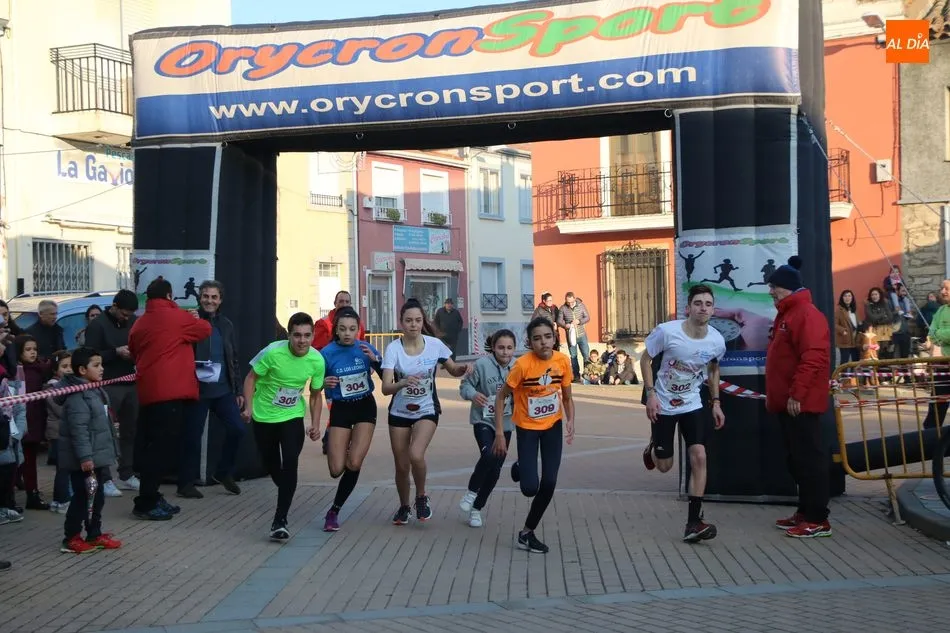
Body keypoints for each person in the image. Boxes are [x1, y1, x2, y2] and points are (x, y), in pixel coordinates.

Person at [640, 284, 726, 542]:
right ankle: (653, 448)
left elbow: (713, 369)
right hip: (663, 402)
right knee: (664, 466)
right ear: (688, 308)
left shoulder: (716, 340)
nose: (703, 308)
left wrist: (716, 402)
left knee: (699, 455)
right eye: (698, 303)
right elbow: (645, 360)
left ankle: (694, 522)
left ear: (713, 310)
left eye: (708, 304)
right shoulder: (667, 332)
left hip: (692, 403)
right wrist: (651, 394)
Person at [381, 298, 471, 525]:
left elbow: (452, 369)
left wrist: (462, 369)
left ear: (423, 321)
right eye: (409, 320)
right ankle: (404, 507)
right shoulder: (393, 349)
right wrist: (403, 383)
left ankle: (421, 496)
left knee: (415, 454)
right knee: (401, 466)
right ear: (401, 322)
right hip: (399, 411)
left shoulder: (434, 345)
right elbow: (385, 388)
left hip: (427, 409)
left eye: (418, 320)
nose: (413, 324)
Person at [129, 279, 212, 521]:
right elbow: (204, 329)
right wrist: (192, 317)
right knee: (161, 450)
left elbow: (133, 349)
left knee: (150, 446)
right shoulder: (177, 317)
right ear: (169, 295)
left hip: (148, 391)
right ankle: (146, 502)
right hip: (170, 392)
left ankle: (152, 495)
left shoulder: (140, 321)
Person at [492, 317, 574, 554]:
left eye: (547, 337)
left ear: (554, 338)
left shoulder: (562, 361)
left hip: (552, 427)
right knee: (529, 488)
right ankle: (521, 466)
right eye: (537, 339)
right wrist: (499, 432)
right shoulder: (522, 366)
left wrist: (571, 420)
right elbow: (501, 397)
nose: (543, 342)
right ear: (529, 342)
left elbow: (567, 396)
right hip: (527, 428)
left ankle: (527, 533)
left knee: (549, 483)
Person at [242, 312, 326, 541]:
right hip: (264, 417)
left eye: (307, 335)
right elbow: (250, 378)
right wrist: (248, 407)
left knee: (290, 462)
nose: (302, 341)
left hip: (292, 416)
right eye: (297, 335)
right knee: (272, 466)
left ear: (313, 335)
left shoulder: (317, 360)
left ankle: (280, 520)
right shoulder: (272, 352)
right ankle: (286, 486)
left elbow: (315, 395)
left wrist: (315, 424)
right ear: (288, 335)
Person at [765, 256, 832, 538]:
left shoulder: (805, 314)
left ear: (787, 287)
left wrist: (797, 394)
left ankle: (817, 519)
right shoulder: (789, 313)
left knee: (809, 459)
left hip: (800, 403)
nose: (770, 291)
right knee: (797, 459)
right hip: (790, 402)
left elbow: (814, 357)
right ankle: (805, 511)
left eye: (774, 287)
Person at [312, 307, 380, 532]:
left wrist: (376, 361)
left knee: (354, 463)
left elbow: (390, 378)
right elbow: (315, 387)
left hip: (364, 406)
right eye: (343, 329)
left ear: (359, 330)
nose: (348, 333)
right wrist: (323, 383)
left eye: (352, 329)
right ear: (336, 331)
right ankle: (345, 445)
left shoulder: (366, 348)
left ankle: (334, 511)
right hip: (341, 409)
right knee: (335, 469)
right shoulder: (326, 353)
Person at [180, 281, 246, 498]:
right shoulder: (190, 320)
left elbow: (233, 357)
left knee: (237, 429)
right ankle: (185, 484)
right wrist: (189, 323)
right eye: (206, 296)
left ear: (220, 300)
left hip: (222, 390)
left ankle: (223, 473)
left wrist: (238, 390)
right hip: (196, 390)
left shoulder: (226, 324)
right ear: (200, 298)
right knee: (192, 437)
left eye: (214, 297)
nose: (209, 300)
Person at [56, 347, 122, 554]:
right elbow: (79, 430)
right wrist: (85, 457)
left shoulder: (95, 389)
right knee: (83, 497)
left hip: (97, 456)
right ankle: (71, 538)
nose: (101, 369)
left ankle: (94, 534)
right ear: (82, 370)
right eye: (96, 365)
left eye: (101, 364)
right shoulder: (78, 396)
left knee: (97, 497)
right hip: (84, 460)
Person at [84, 289, 140, 497]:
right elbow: (90, 355)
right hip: (107, 384)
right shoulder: (97, 325)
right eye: (124, 314)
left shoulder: (134, 321)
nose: (126, 318)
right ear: (114, 307)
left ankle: (127, 473)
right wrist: (115, 352)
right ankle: (105, 478)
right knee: (105, 432)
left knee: (130, 430)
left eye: (130, 315)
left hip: (131, 382)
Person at [458, 329, 516, 528]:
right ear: (493, 347)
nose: (505, 352)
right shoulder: (481, 365)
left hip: (506, 423)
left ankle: (477, 508)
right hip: (483, 420)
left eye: (509, 348)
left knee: (496, 469)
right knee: (488, 456)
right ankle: (471, 492)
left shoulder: (518, 367)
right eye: (501, 348)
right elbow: (464, 386)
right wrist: (473, 394)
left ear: (514, 349)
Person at [312, 290, 365, 455]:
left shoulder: (358, 323)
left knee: (351, 411)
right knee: (336, 410)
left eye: (347, 301)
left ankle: (337, 441)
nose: (344, 304)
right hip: (334, 377)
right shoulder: (323, 323)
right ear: (335, 303)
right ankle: (331, 441)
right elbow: (317, 351)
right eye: (341, 301)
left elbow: (362, 345)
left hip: (354, 375)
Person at [15, 334, 52, 510]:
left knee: (29, 460)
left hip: (35, 420)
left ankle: (32, 493)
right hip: (21, 422)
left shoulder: (39, 369)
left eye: (35, 349)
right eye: (28, 349)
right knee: (18, 460)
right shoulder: (17, 371)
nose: (32, 353)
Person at [45, 350, 74, 513]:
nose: (68, 369)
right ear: (55, 369)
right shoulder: (52, 387)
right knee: (63, 468)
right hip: (57, 433)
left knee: (66, 468)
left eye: (70, 365)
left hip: (66, 432)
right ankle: (62, 500)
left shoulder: (71, 385)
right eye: (64, 366)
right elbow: (59, 410)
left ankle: (60, 498)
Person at [923, 279, 950, 429]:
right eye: (942, 288)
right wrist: (940, 335)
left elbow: (937, 334)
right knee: (936, 406)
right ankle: (931, 436)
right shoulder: (940, 311)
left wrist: (939, 334)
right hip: (943, 366)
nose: (942, 292)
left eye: (946, 288)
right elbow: (932, 334)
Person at [557, 292, 590, 381]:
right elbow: (559, 321)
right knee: (573, 356)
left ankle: (586, 375)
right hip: (571, 336)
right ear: (565, 300)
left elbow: (587, 317)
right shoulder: (563, 308)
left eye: (571, 302)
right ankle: (576, 376)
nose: (570, 304)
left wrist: (579, 321)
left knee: (586, 355)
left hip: (582, 335)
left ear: (574, 299)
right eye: (568, 302)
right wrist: (565, 325)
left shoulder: (581, 305)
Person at [835, 290, 859, 366]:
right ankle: (842, 374)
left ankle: (853, 373)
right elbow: (834, 324)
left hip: (855, 339)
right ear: (842, 298)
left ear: (852, 298)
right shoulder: (839, 310)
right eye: (845, 296)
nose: (847, 298)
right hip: (845, 339)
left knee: (855, 361)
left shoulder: (854, 310)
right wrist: (843, 330)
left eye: (849, 296)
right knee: (844, 361)